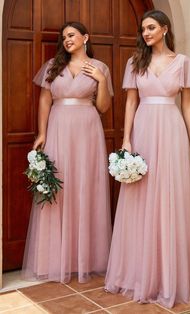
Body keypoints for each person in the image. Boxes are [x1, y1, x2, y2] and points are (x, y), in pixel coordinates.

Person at [105, 10, 190, 308]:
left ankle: (169, 275)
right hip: (144, 129)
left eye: (151, 28)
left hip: (172, 130)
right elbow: (131, 102)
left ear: (164, 29)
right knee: (141, 196)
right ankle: (139, 273)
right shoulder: (135, 62)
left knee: (170, 196)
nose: (145, 33)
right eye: (143, 29)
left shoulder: (183, 61)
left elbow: (187, 104)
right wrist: (126, 138)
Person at [22, 21, 113, 283]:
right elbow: (44, 100)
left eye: (71, 35)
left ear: (86, 37)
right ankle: (52, 259)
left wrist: (102, 80)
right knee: (58, 190)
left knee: (86, 187)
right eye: (63, 37)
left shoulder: (100, 68)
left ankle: (89, 258)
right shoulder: (53, 66)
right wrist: (42, 133)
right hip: (59, 128)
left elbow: (104, 107)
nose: (67, 40)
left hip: (88, 130)